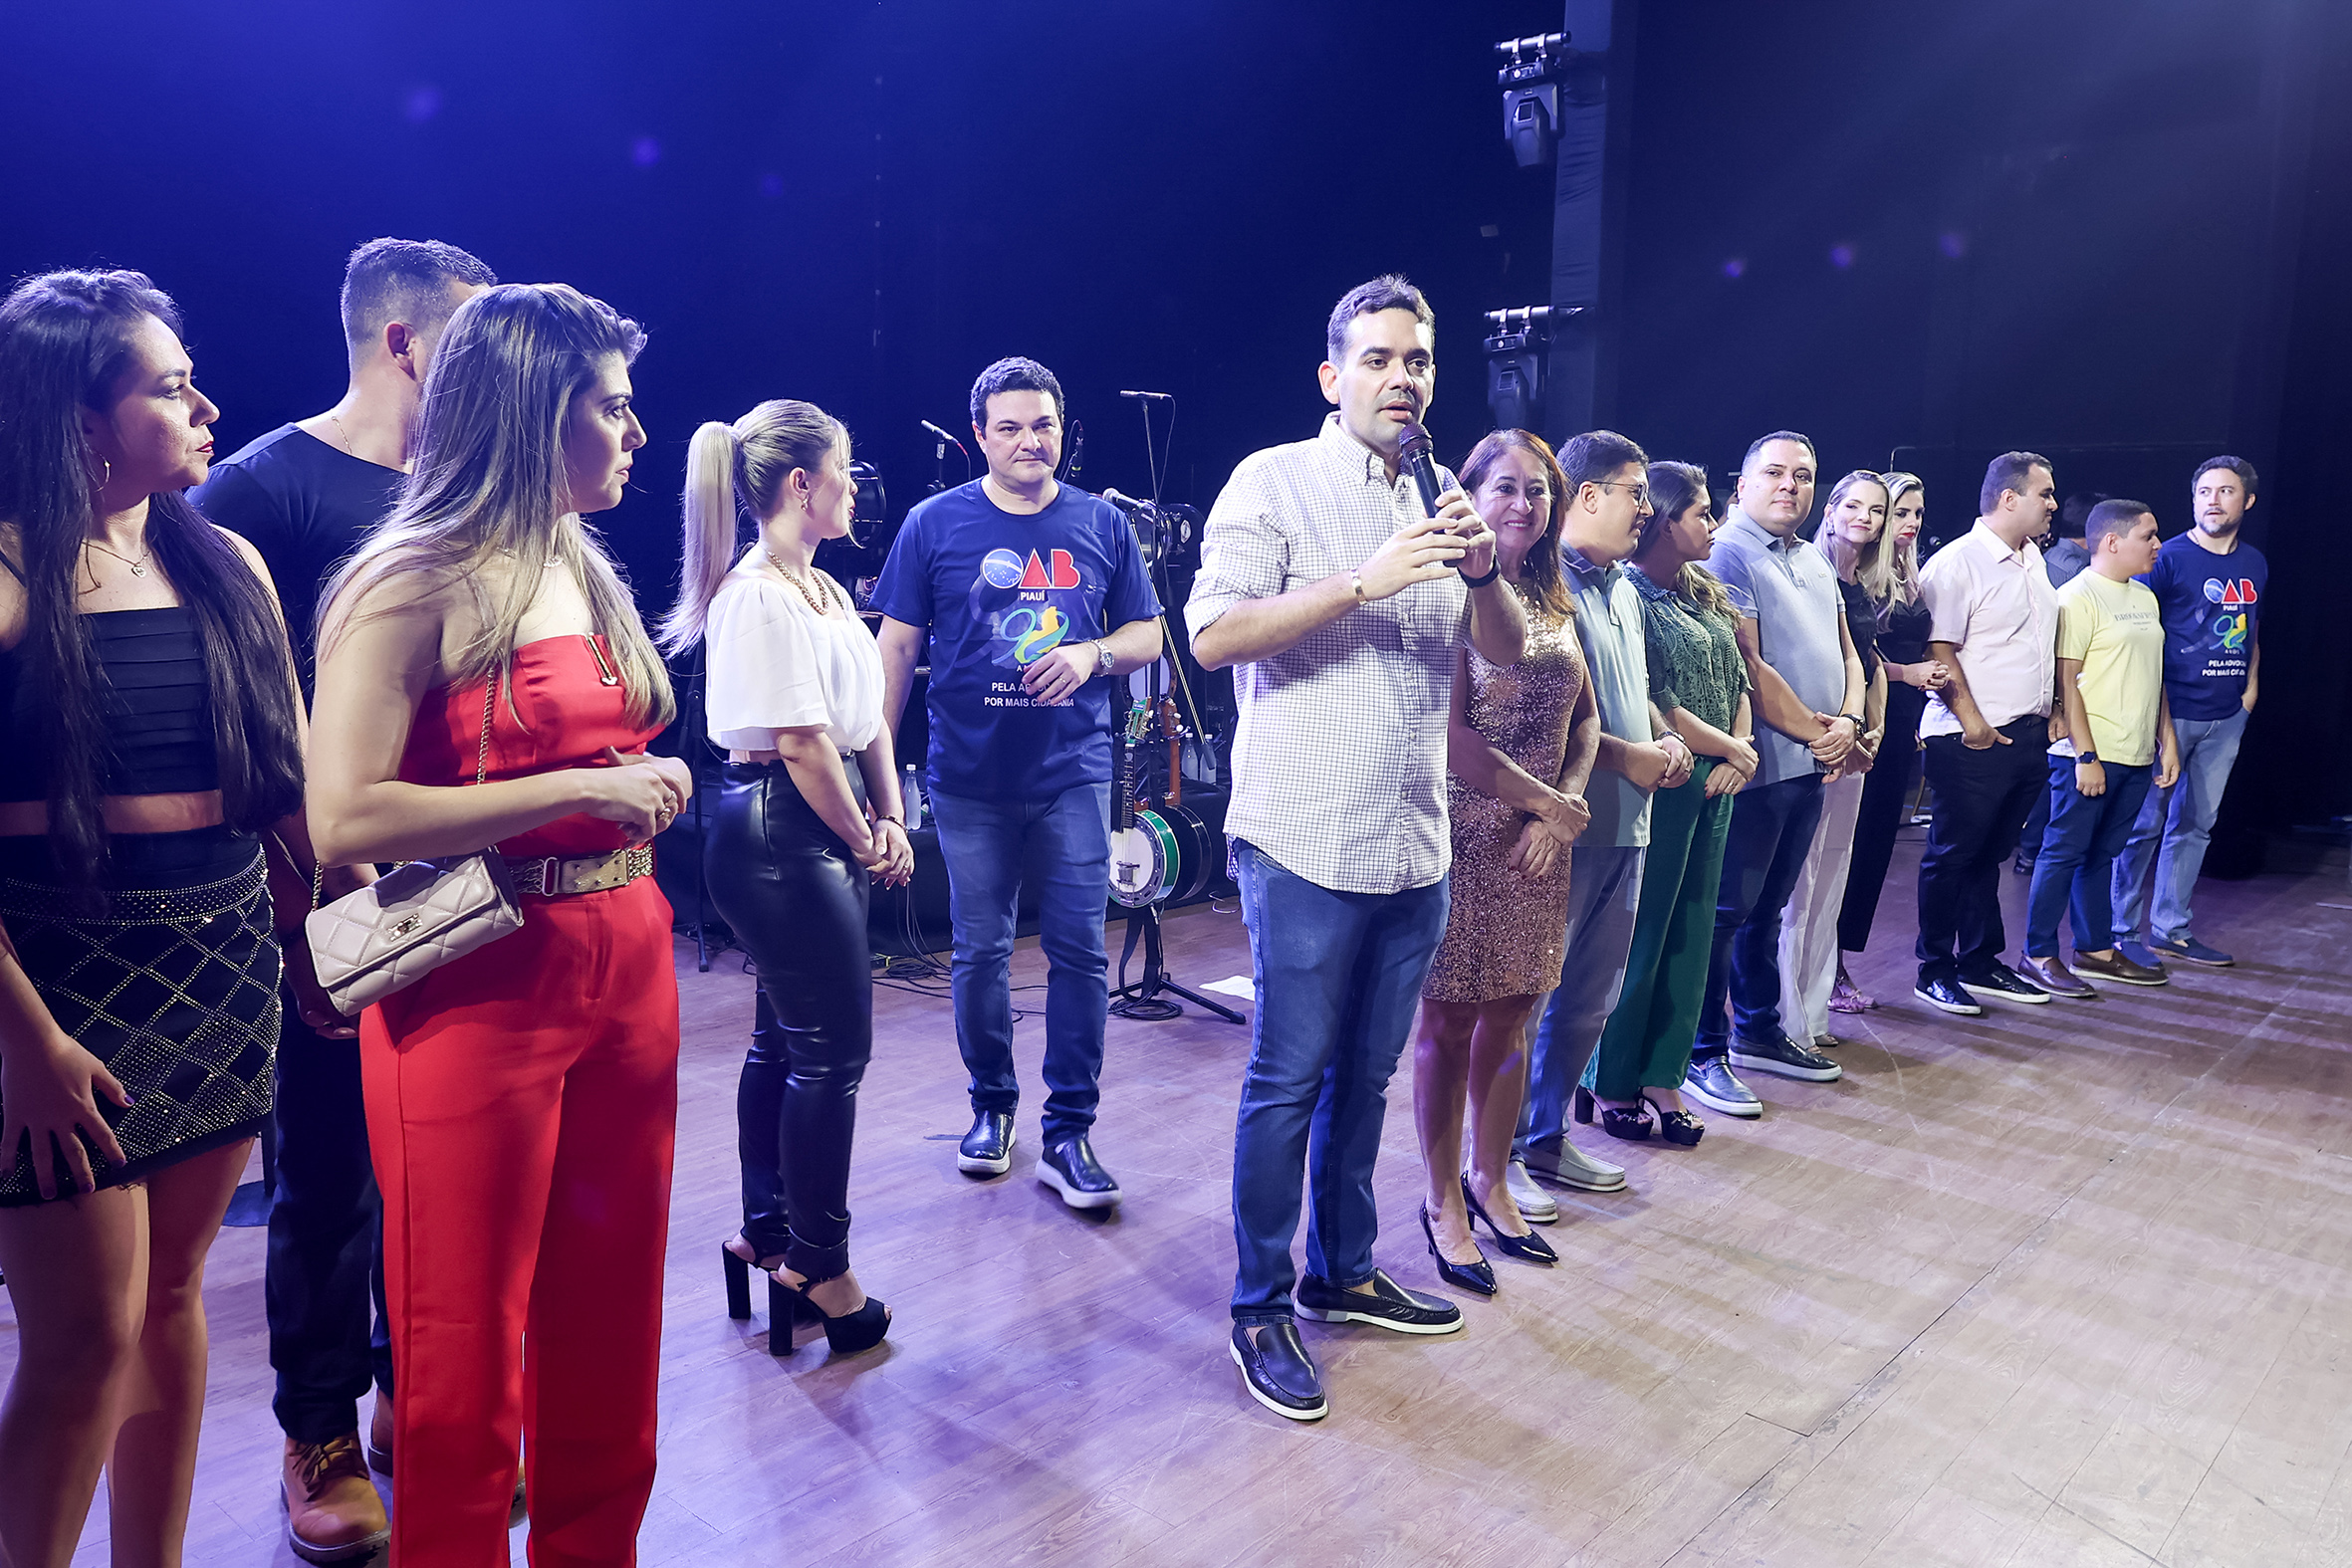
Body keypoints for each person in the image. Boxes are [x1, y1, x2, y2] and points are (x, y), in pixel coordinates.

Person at [308, 283, 692, 1564]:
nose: (636, 433)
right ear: (535, 413)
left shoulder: (579, 559)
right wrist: (583, 788)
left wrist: (628, 785)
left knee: (613, 1315)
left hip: (628, 955)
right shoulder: (403, 580)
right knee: (460, 1346)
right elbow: (344, 816)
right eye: (612, 408)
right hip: (480, 978)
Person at [189, 235, 494, 1561]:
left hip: (459, 870)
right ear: (406, 341)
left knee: (442, 1157)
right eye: (472, 334)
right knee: (328, 1161)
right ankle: (316, 1427)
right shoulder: (258, 488)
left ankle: (415, 1404)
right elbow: (236, 722)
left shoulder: (468, 493)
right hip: (322, 880)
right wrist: (306, 903)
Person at [0, 271, 311, 1568]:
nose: (206, 408)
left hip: (224, 971)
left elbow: (288, 794)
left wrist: (330, 935)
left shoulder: (225, 561)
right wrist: (25, 1043)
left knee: (174, 1297)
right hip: (58, 1000)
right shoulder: (7, 572)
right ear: (81, 418)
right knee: (81, 1340)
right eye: (171, 388)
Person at [1188, 274, 1527, 1421]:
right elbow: (1212, 634)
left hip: (1411, 839)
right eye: (1378, 359)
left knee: (1366, 1080)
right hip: (1302, 834)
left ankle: (1341, 1272)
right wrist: (1361, 581)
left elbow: (1503, 651)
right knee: (1287, 1080)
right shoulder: (1271, 479)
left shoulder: (1441, 494)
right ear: (1332, 377)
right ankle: (1258, 1307)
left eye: (1417, 360)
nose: (1401, 378)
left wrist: (1481, 571)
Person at [871, 357, 1161, 1211]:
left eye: (1043, 425)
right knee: (981, 951)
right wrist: (877, 772)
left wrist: (1091, 654)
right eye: (1010, 427)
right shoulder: (932, 524)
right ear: (980, 437)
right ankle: (992, 1109)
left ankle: (1069, 1133)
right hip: (969, 779)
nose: (1030, 441)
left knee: (1078, 952)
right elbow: (896, 648)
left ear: (1062, 429)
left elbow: (1147, 634)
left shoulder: (1103, 524)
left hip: (1074, 773)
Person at [662, 400, 912, 1355]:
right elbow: (802, 741)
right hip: (777, 826)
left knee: (787, 1040)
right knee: (830, 1055)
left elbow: (868, 719)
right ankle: (821, 1265)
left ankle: (768, 1234)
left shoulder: (825, 588)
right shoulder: (756, 593)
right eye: (844, 469)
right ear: (802, 483)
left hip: (819, 816)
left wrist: (890, 816)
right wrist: (863, 837)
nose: (855, 486)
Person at [1412, 429, 1596, 1296]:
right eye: (1506, 487)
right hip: (1463, 832)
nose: (1523, 503)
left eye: (1539, 488)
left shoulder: (1557, 596)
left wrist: (1563, 809)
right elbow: (1451, 740)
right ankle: (1441, 1198)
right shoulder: (1448, 592)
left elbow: (1587, 719)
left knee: (1515, 1014)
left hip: (1538, 841)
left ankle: (1491, 1180)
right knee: (1449, 1023)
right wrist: (1547, 804)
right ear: (1471, 495)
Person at [1513, 431, 1693, 1197]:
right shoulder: (1543, 581)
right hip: (1565, 825)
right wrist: (1628, 757)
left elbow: (1634, 693)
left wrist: (1664, 737)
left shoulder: (1623, 587)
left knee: (1591, 998)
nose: (1646, 509)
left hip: (1629, 821)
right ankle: (1500, 1157)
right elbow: (1545, 717)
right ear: (1587, 495)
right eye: (1635, 492)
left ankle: (1546, 1137)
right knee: (1528, 999)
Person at [1684, 432, 1865, 1112]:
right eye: (1776, 473)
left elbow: (1850, 651)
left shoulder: (1811, 555)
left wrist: (1850, 722)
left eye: (1804, 475)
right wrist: (1826, 734)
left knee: (1767, 911)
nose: (1791, 484)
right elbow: (1750, 668)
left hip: (1810, 764)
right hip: (1757, 767)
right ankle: (1703, 1050)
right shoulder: (1729, 550)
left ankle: (1757, 1031)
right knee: (1725, 915)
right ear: (1742, 485)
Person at [1586, 462, 1755, 1139]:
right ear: (1662, 520)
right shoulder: (1631, 592)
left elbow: (1741, 680)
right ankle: (1610, 1077)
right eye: (1701, 513)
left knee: (1693, 931)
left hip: (1718, 780)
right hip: (1670, 777)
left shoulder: (1702, 590)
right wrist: (1734, 750)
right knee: (1645, 932)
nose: (1713, 524)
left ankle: (1664, 1071)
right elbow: (1660, 704)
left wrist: (1740, 751)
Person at [1910, 451, 2062, 1015]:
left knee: (1988, 856)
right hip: (1970, 737)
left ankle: (1979, 961)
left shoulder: (2032, 558)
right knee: (1952, 855)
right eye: (2045, 493)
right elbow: (1938, 648)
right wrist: (1974, 724)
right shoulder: (1958, 562)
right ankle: (1934, 968)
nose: (2053, 504)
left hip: (2024, 734)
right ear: (2008, 498)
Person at [2110, 457, 2265, 970]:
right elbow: (2142, 639)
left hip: (2226, 716)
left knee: (2196, 826)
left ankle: (2171, 929)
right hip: (2170, 713)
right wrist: (2159, 722)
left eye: (2225, 491)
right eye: (2204, 491)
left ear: (2247, 501)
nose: (2212, 500)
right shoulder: (2168, 557)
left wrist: (2249, 692)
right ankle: (2119, 931)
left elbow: (2251, 627)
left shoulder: (2255, 562)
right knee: (2142, 827)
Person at [2020, 501, 2179, 997]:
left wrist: (2167, 740)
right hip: (2090, 755)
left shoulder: (2145, 596)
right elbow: (2066, 682)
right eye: (2148, 536)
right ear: (2112, 541)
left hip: (2136, 752)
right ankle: (2037, 953)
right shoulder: (2076, 597)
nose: (2157, 545)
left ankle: (2095, 949)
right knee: (2063, 853)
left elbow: (2154, 676)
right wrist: (2085, 756)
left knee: (2102, 855)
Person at [1775, 472, 1889, 1051]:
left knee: (1833, 875)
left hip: (1853, 737)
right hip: (1814, 741)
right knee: (1800, 881)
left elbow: (1867, 662)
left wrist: (1870, 726)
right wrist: (1841, 729)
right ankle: (1785, 1018)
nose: (1865, 518)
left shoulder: (1860, 583)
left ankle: (1814, 1013)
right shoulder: (1809, 570)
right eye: (1854, 506)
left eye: (1877, 509)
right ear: (1830, 509)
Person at [1832, 472, 1947, 1011]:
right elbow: (1863, 655)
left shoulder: (1907, 572)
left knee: (1875, 843)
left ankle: (1839, 959)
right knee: (1846, 847)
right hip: (1862, 714)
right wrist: (1909, 674)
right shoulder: (1855, 574)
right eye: (1899, 512)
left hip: (1896, 721)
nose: (1909, 522)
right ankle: (1825, 966)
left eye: (1916, 514)